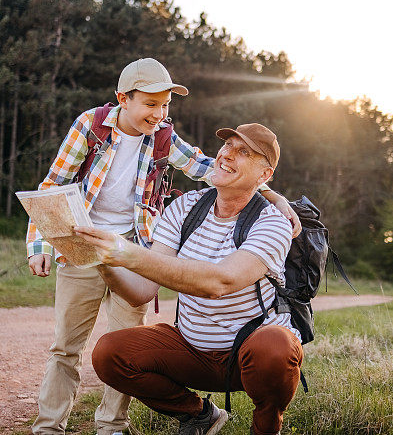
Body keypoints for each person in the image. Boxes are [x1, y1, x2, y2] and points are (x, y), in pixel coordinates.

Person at [26, 58, 300, 435]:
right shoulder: (89, 126)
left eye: (166, 105)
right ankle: (47, 427)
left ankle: (111, 426)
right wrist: (39, 243)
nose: (159, 114)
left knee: (122, 334)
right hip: (81, 246)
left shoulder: (164, 138)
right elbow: (52, 186)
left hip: (138, 250)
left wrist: (274, 195)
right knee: (67, 347)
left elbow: (211, 166)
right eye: (150, 104)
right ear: (123, 98)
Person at [75, 123, 304, 435]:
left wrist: (127, 253)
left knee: (275, 345)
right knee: (110, 353)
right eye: (228, 146)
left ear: (264, 176)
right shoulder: (186, 206)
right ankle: (199, 414)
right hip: (191, 352)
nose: (226, 155)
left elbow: (220, 282)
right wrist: (102, 259)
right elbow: (141, 291)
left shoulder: (273, 223)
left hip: (247, 358)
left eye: (243, 152)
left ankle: (266, 425)